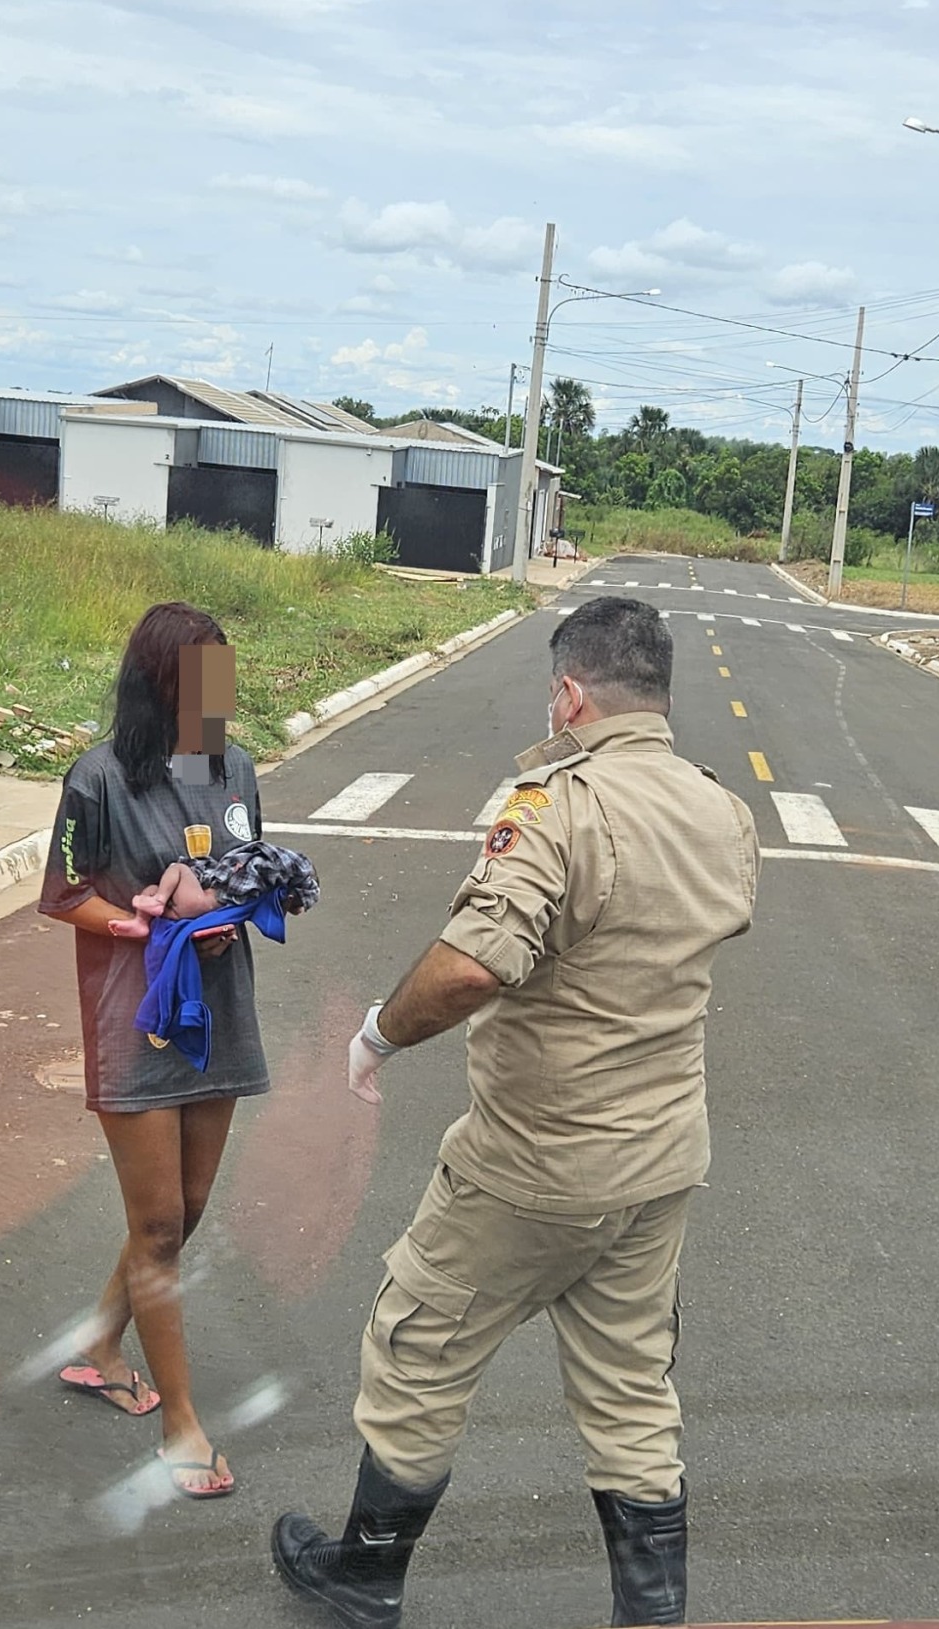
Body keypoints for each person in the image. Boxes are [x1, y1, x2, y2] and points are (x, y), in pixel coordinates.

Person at [272, 597, 760, 1629]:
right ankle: (651, 1613)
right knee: (631, 1391)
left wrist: (373, 1037)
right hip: (660, 1158)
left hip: (535, 1164)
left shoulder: (559, 803)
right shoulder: (718, 806)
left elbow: (466, 969)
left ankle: (363, 1581)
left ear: (571, 693)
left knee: (417, 1349)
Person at [38, 602, 266, 1500]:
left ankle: (99, 1344)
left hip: (221, 1010)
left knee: (186, 1208)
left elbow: (252, 868)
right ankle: (181, 1423)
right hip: (135, 1019)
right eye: (202, 675)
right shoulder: (95, 779)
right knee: (162, 1225)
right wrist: (140, 922)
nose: (220, 693)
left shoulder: (237, 766)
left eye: (225, 673)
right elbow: (61, 896)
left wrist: (230, 910)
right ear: (158, 682)